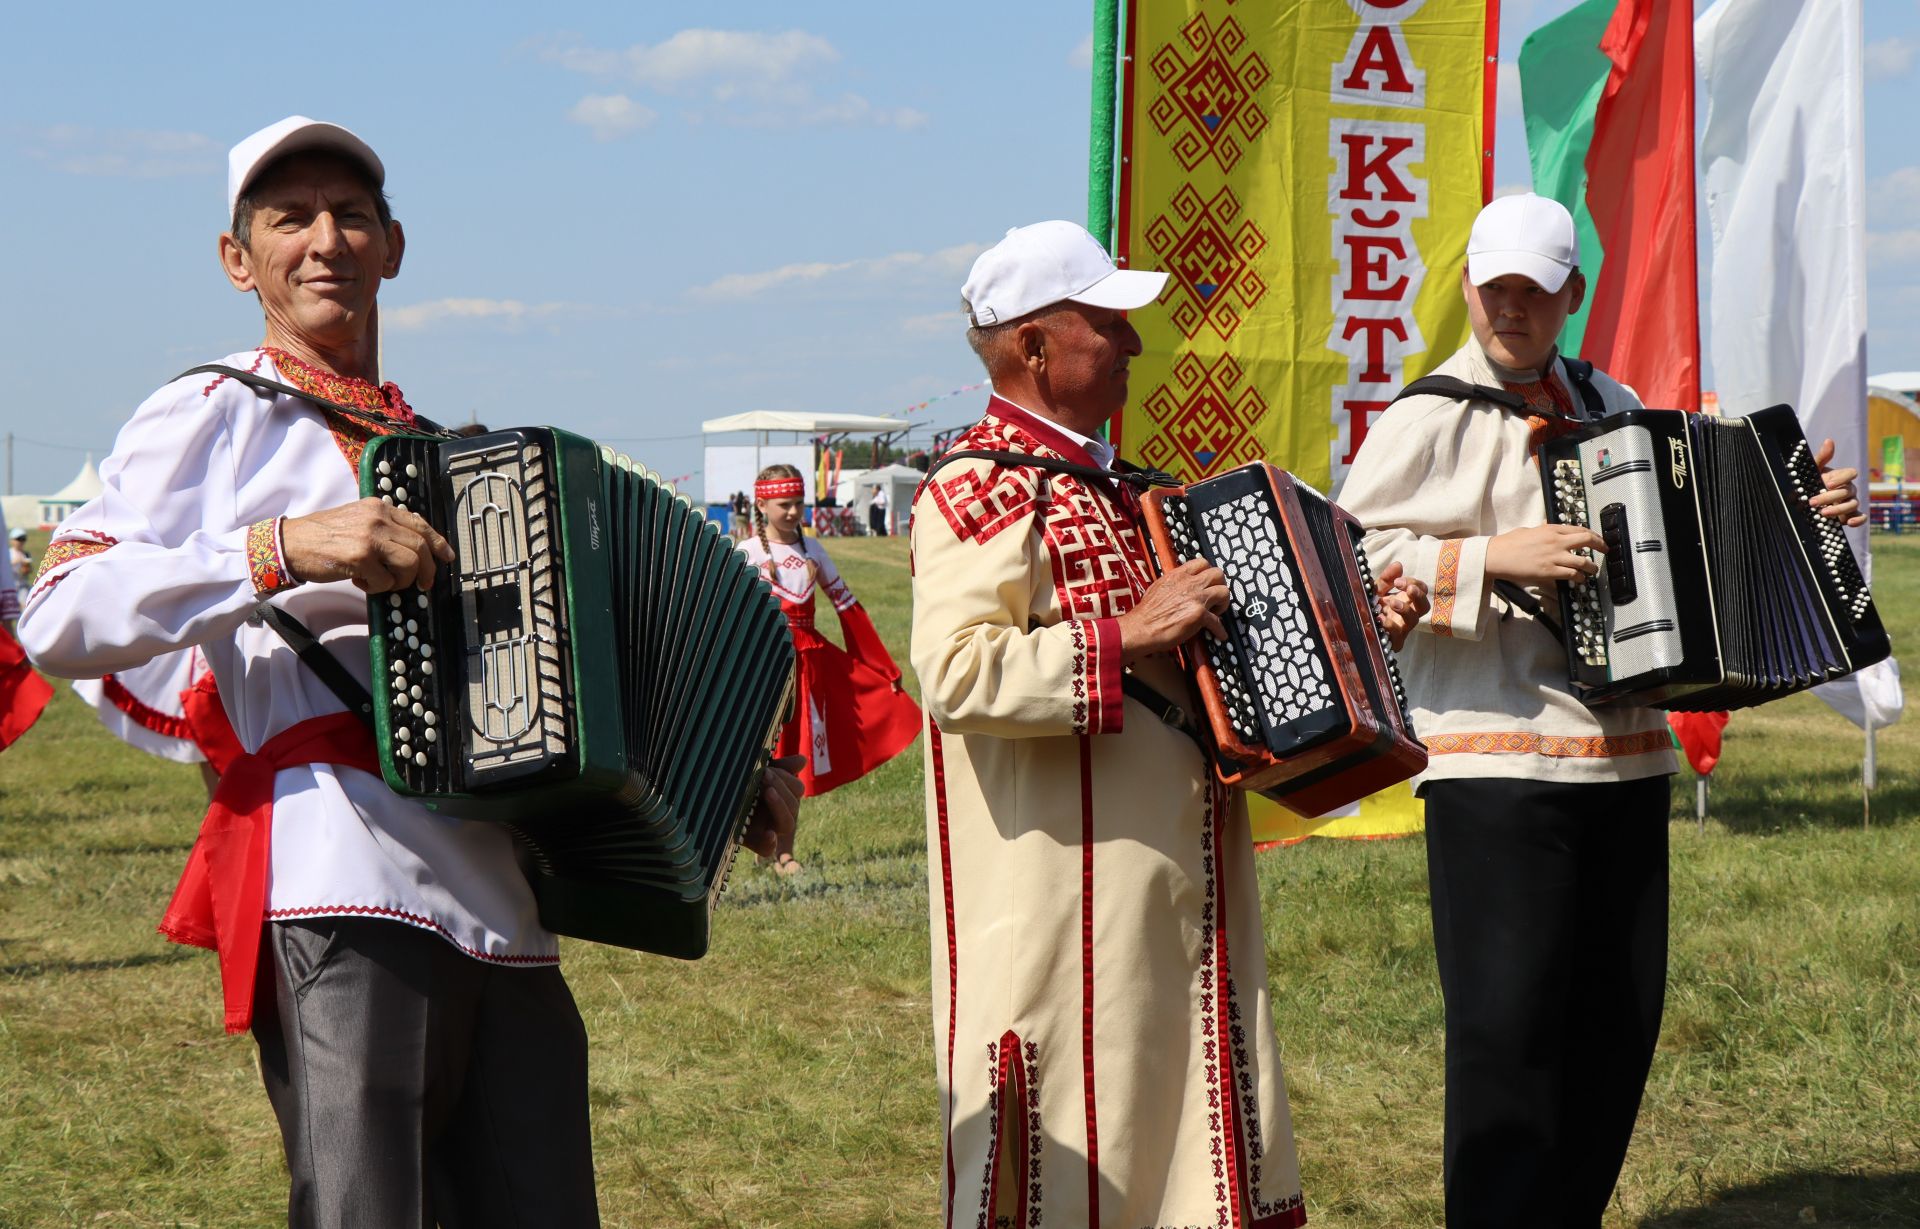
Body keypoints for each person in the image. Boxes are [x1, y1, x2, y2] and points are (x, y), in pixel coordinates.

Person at [17, 115, 802, 1227]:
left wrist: (722, 788)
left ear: (395, 245)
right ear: (239, 260)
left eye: (351, 215)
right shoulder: (214, 409)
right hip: (342, 876)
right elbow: (57, 612)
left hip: (502, 898)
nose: (325, 239)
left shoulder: (452, 452)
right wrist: (285, 546)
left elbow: (573, 680)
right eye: (290, 218)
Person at [1340, 193, 1863, 1229]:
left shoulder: (1611, 399)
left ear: (1571, 293)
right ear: (1468, 288)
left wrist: (1800, 512)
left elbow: (1706, 522)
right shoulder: (1427, 415)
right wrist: (1489, 554)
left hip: (1626, 759)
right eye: (1496, 290)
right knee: (1506, 1033)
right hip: (1496, 763)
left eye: (1534, 291)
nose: (1513, 310)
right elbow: (1347, 556)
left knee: (1616, 1024)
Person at [910, 220, 1426, 1226]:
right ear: (1031, 346)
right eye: (1108, 324)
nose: (1135, 347)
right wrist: (1128, 630)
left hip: (1175, 890)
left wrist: (1363, 632)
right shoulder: (974, 491)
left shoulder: (1139, 493)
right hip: (1060, 907)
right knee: (1076, 1151)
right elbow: (956, 672)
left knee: (1187, 1143)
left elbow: (1226, 676)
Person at [739, 464, 920, 871]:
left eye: (797, 503)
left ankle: (784, 853)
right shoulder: (747, 553)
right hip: (764, 668)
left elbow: (848, 608)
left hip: (809, 671)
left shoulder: (813, 551)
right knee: (754, 759)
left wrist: (880, 666)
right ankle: (747, 844)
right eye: (783, 504)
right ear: (762, 505)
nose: (792, 511)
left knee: (794, 759)